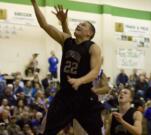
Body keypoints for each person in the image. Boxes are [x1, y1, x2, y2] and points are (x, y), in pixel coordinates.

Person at [31, 0, 103, 135]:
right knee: (47, 131)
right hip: (64, 96)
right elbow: (44, 25)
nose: (79, 25)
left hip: (84, 97)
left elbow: (95, 72)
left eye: (83, 25)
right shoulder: (67, 41)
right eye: (79, 24)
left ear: (90, 33)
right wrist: (34, 3)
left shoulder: (93, 47)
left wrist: (80, 81)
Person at [53, 7, 110, 134]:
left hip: (90, 103)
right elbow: (70, 44)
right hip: (75, 97)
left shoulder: (100, 73)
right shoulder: (81, 61)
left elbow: (107, 88)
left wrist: (95, 90)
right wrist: (64, 23)